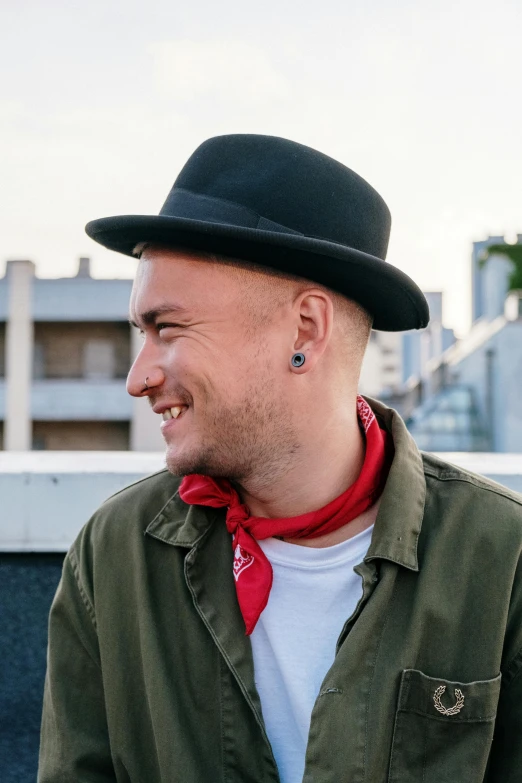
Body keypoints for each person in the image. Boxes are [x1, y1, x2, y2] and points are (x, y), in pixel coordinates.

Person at [39, 135, 522, 783]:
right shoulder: (114, 556)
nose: (139, 376)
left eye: (169, 328)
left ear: (305, 330)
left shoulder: (503, 559)